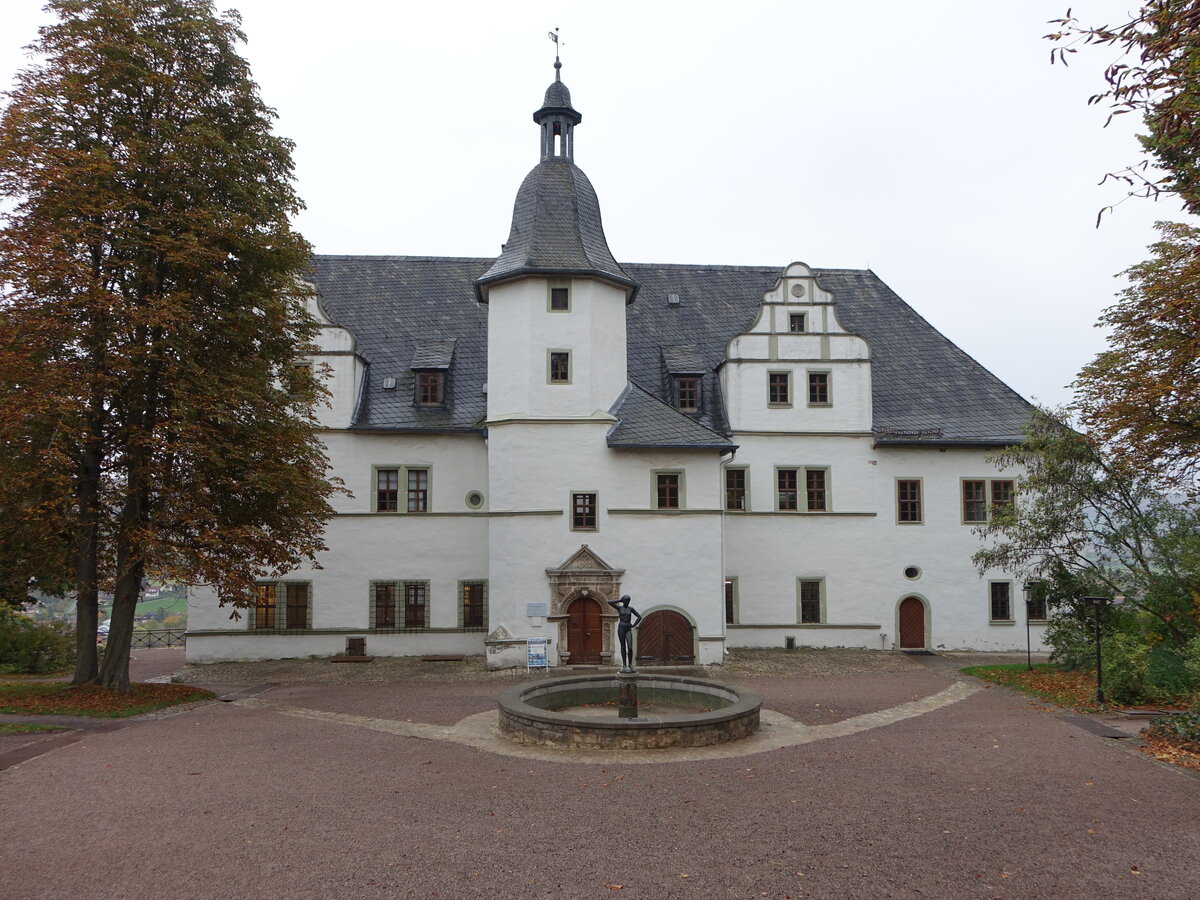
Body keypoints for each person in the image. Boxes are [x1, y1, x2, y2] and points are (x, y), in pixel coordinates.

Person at [608, 594, 642, 671]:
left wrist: (634, 625)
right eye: (626, 600)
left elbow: (639, 617)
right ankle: (624, 665)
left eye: (629, 601)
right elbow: (609, 602)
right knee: (623, 646)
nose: (628, 602)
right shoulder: (620, 608)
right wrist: (620, 600)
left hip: (628, 627)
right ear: (624, 601)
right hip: (621, 628)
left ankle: (630, 665)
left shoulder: (631, 609)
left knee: (630, 647)